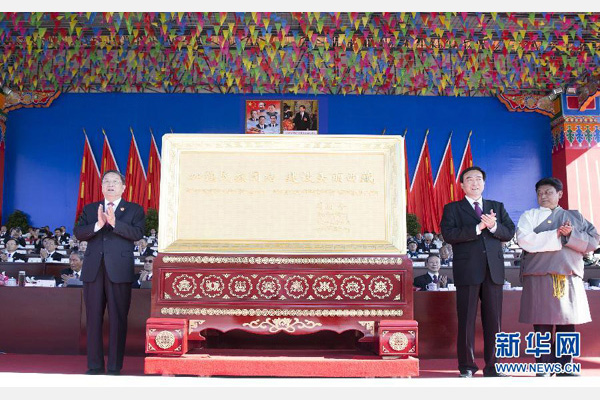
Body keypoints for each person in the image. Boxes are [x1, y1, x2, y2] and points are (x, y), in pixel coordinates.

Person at [516, 177, 598, 376]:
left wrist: (570, 235)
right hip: (539, 275)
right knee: (541, 323)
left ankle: (565, 365)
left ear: (559, 194)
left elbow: (593, 241)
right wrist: (557, 235)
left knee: (566, 322)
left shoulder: (575, 217)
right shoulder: (530, 216)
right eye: (540, 193)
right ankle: (543, 366)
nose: (543, 196)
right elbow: (524, 240)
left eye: (548, 192)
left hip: (567, 275)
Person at [440, 166, 515, 378]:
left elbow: (509, 232)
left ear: (484, 183)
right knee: (466, 320)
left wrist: (493, 227)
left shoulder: (496, 206)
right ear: (462, 185)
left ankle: (493, 367)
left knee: (494, 321)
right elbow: (449, 234)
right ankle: (467, 367)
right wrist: (477, 228)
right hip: (467, 270)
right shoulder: (453, 208)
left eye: (479, 179)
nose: (475, 183)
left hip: (493, 271)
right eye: (470, 179)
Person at [73, 170, 145, 375]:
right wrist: (98, 224)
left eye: (115, 181)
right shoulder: (90, 209)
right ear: (102, 186)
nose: (110, 184)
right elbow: (79, 233)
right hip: (93, 270)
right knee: (93, 319)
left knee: (118, 319)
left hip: (119, 270)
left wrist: (114, 223)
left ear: (123, 187)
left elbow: (137, 233)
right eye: (106, 181)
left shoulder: (134, 209)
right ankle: (95, 365)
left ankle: (114, 366)